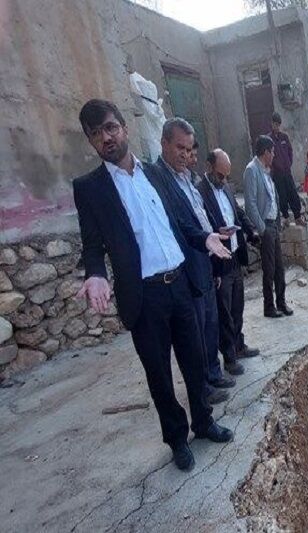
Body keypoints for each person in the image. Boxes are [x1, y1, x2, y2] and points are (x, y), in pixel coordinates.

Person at [72, 99, 233, 471]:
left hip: (179, 282)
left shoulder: (155, 174)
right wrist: (95, 273)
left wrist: (204, 238)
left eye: (110, 127)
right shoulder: (90, 188)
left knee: (194, 360)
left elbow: (180, 220)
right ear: (91, 141)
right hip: (144, 296)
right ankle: (177, 439)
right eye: (96, 134)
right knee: (159, 373)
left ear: (124, 128)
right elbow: (92, 243)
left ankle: (204, 422)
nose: (105, 137)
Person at [151, 118, 234, 405]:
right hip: (187, 266)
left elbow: (199, 217)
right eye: (179, 148)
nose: (185, 154)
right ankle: (202, 386)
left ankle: (212, 372)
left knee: (210, 323)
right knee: (195, 332)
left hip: (206, 258)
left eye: (189, 149)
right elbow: (179, 226)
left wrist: (214, 233)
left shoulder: (188, 179)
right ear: (164, 144)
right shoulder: (158, 179)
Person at [198, 148, 261, 372]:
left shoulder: (226, 188)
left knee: (237, 307)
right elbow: (200, 228)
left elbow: (238, 213)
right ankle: (229, 356)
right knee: (224, 312)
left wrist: (251, 230)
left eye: (226, 176)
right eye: (220, 175)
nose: (223, 180)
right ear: (208, 168)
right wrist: (217, 231)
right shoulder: (199, 193)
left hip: (234, 255)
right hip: (218, 260)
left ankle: (239, 344)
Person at [243, 135, 294, 319]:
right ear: (265, 152)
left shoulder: (266, 171)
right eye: (272, 152)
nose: (274, 155)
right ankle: (269, 306)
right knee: (269, 269)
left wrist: (278, 222)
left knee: (279, 268)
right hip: (266, 226)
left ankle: (281, 302)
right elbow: (250, 204)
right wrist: (262, 228)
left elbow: (273, 199)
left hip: (274, 225)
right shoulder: (252, 170)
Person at [266, 112, 305, 226]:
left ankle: (298, 217)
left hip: (287, 172)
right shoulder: (269, 139)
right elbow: (269, 156)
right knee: (282, 195)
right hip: (277, 173)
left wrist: (288, 164)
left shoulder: (284, 137)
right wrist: (274, 167)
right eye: (275, 124)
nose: (276, 127)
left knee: (292, 193)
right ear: (272, 124)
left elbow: (290, 151)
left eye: (278, 124)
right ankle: (286, 218)